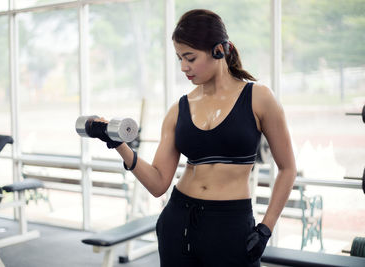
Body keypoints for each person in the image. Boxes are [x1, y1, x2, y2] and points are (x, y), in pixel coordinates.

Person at [88, 8, 296, 267]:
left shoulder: (259, 98)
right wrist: (119, 144)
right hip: (178, 221)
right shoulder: (179, 108)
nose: (184, 67)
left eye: (190, 57)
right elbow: (158, 184)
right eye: (179, 59)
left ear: (219, 50)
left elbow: (288, 169)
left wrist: (266, 227)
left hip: (230, 225)